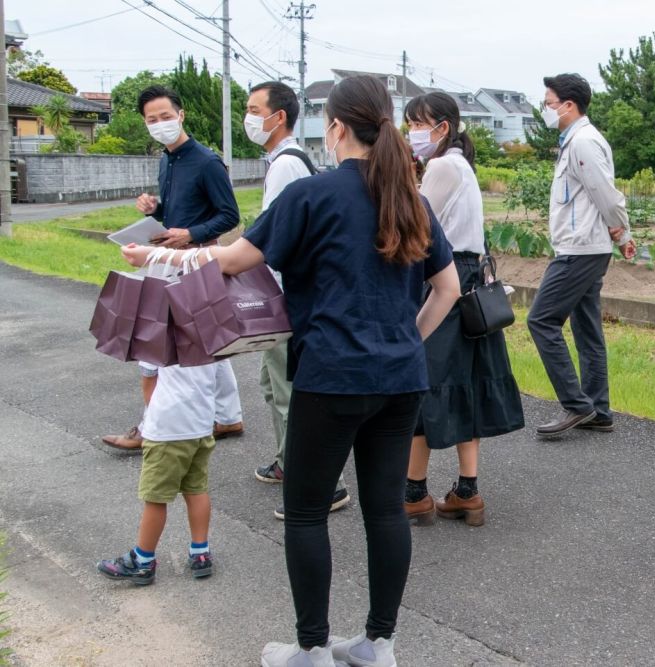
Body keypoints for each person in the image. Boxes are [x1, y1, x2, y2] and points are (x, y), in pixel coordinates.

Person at [122, 75, 460, 667]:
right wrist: (406, 339)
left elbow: (232, 260)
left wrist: (157, 254)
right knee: (384, 508)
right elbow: (448, 288)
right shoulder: (411, 197)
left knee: (305, 511)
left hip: (330, 376)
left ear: (334, 128)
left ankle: (311, 650)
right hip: (401, 379)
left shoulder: (313, 195)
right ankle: (379, 644)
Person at [402, 92, 524, 527]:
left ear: (443, 128)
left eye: (418, 123)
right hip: (472, 285)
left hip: (444, 283)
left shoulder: (442, 166)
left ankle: (414, 492)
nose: (412, 132)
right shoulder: (462, 166)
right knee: (467, 385)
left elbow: (412, 222)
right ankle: (467, 491)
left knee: (425, 383)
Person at [101, 85, 243, 452]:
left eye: (166, 116)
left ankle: (154, 427)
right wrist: (154, 210)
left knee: (159, 342)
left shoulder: (207, 161)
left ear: (181, 115)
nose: (160, 124)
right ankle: (228, 417)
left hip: (197, 261)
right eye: (152, 119)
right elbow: (177, 211)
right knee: (209, 339)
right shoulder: (166, 159)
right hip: (168, 258)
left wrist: (191, 233)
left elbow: (229, 215)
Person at [243, 80, 351, 519]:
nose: (248, 117)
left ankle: (323, 484)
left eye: (254, 109)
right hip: (284, 293)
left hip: (283, 297)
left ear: (278, 116)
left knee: (288, 390)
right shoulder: (286, 162)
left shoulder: (287, 165)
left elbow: (271, 239)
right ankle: (290, 464)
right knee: (273, 385)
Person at [527, 73, 635, 437]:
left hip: (581, 249)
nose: (546, 109)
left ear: (569, 105)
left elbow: (606, 194)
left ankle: (577, 405)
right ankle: (598, 410)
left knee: (541, 320)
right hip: (583, 246)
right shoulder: (573, 140)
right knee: (587, 328)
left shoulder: (583, 142)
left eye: (549, 103)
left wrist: (624, 233)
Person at [97, 348, 223, 585]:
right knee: (196, 489)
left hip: (166, 430)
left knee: (155, 498)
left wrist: (151, 423)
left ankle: (143, 560)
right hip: (201, 426)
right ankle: (201, 553)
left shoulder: (156, 337)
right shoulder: (209, 334)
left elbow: (149, 385)